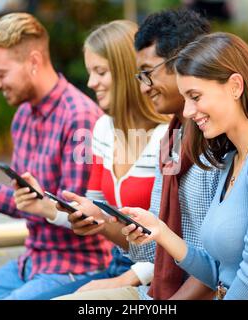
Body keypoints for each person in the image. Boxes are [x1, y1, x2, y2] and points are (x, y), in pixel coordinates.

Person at [0, 12, 111, 300]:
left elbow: (77, 215)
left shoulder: (80, 118)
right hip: (30, 263)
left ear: (33, 62)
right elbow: (29, 200)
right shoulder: (23, 116)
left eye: (0, 74)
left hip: (76, 269)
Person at [121, 32, 248, 300]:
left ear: (234, 86)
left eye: (195, 96)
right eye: (185, 98)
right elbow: (218, 272)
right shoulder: (232, 158)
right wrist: (160, 231)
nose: (186, 111)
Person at [55, 8, 220, 301]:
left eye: (147, 74)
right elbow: (153, 246)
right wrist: (101, 221)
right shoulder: (172, 137)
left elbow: (216, 268)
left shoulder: (217, 144)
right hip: (157, 285)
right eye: (139, 75)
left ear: (184, 63)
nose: (143, 87)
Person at [12, 19, 169, 298]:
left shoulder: (168, 137)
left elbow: (174, 239)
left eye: (100, 72)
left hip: (155, 273)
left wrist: (126, 279)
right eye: (90, 72)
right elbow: (96, 212)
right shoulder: (102, 129)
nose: (91, 82)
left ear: (125, 72)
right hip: (117, 264)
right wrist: (48, 207)